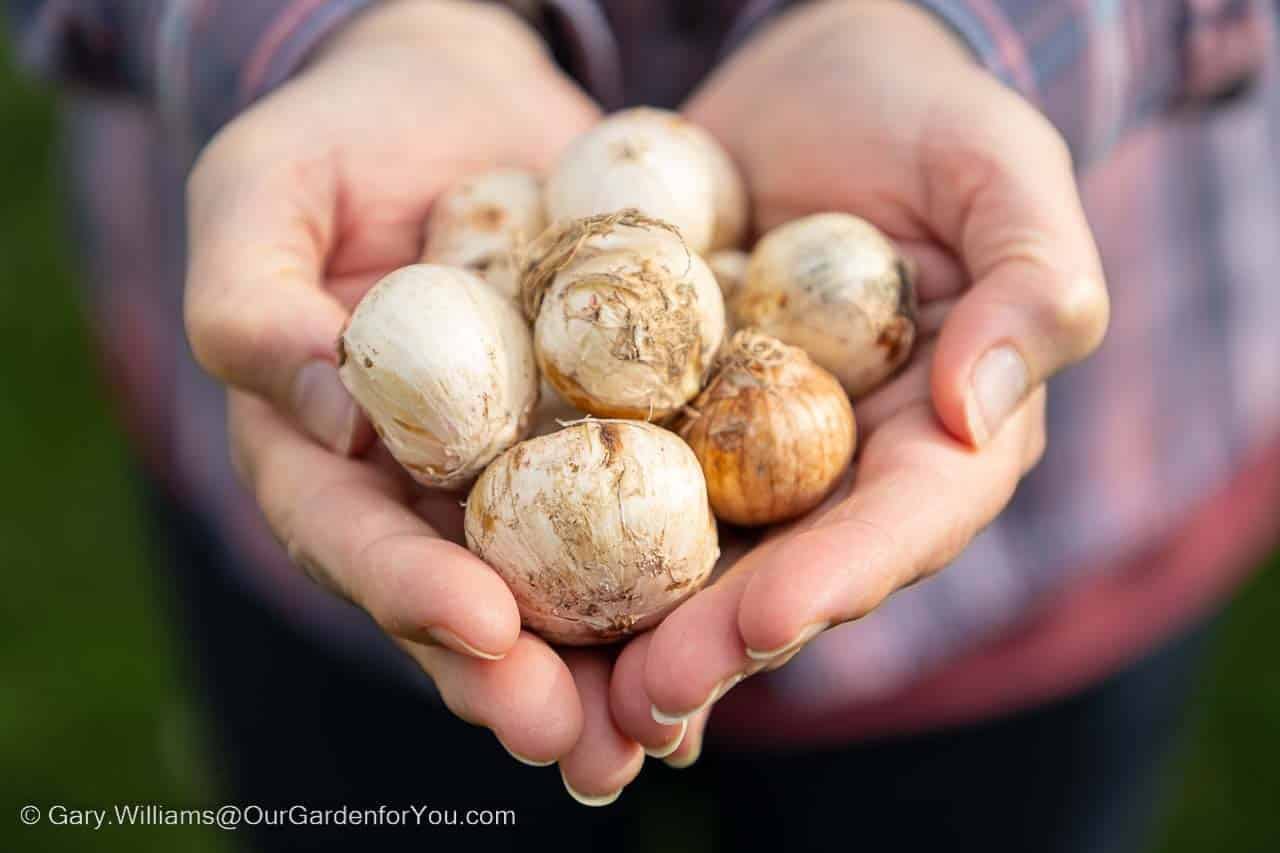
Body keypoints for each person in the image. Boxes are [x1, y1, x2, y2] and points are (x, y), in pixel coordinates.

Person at [9, 0, 1280, 849]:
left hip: (1070, 540)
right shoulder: (532, 328)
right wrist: (347, 26)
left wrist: (959, 26)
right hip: (346, 617)